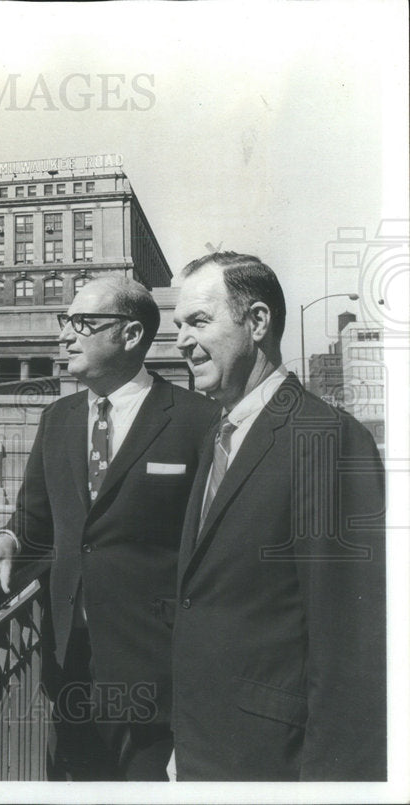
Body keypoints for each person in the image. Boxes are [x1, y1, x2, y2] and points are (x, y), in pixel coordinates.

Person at [0, 276, 219, 780]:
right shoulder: (58, 418)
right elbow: (35, 525)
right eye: (66, 322)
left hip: (157, 678)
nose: (65, 336)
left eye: (82, 324)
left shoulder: (197, 422)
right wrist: (6, 539)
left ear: (130, 335)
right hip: (66, 669)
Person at [169, 252, 386, 781]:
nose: (180, 341)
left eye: (198, 321)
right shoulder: (217, 434)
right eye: (178, 326)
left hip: (273, 765)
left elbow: (351, 653)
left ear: (258, 322)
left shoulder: (327, 440)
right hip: (201, 750)